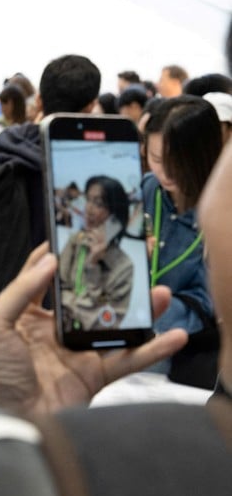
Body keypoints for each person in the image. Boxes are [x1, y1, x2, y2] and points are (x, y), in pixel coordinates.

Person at [142, 95, 222, 386]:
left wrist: (146, 313)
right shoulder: (147, 190)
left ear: (201, 154)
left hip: (191, 353)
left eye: (175, 161)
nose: (164, 172)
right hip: (135, 338)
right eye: (155, 159)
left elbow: (209, 301)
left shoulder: (219, 209)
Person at [0, 54, 101, 250]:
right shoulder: (95, 161)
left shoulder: (5, 144)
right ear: (91, 106)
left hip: (6, 268)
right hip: (68, 268)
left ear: (39, 100)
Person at [58, 175, 134, 331]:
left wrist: (93, 265)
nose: (88, 209)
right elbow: (56, 289)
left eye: (98, 204)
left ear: (115, 218)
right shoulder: (76, 242)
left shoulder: (123, 266)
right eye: (88, 200)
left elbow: (107, 324)